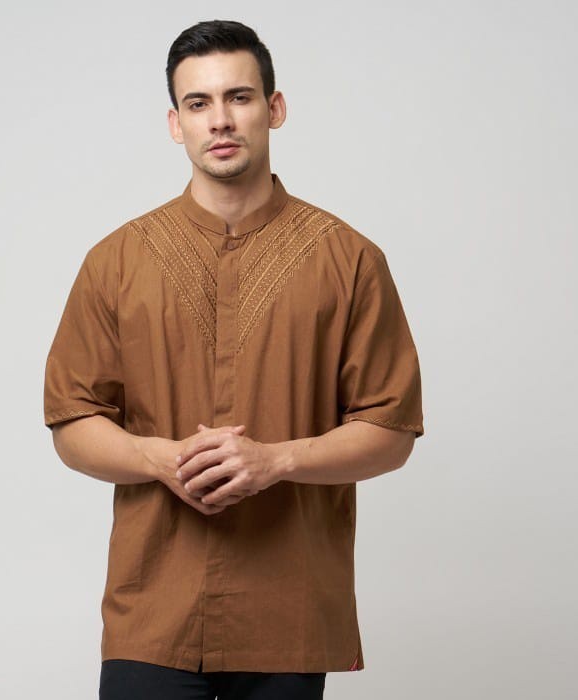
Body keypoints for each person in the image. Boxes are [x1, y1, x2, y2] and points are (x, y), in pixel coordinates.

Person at [43, 18, 424, 700]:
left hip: (289, 612)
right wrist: (159, 459)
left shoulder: (350, 261)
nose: (219, 119)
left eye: (239, 97)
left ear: (274, 108)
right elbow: (72, 423)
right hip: (152, 612)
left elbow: (391, 432)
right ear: (175, 123)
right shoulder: (115, 262)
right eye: (198, 103)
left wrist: (275, 460)